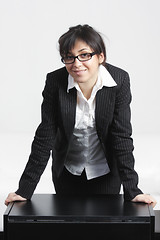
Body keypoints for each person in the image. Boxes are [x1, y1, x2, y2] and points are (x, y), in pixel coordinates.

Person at [5, 24, 156, 207]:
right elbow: (45, 136)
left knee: (104, 231)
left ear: (101, 56)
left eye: (85, 55)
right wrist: (24, 190)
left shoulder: (119, 80)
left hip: (106, 172)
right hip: (67, 173)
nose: (76, 63)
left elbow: (121, 137)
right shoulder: (55, 82)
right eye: (69, 57)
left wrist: (133, 190)